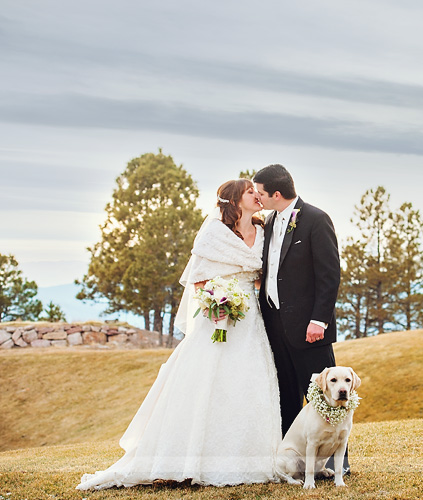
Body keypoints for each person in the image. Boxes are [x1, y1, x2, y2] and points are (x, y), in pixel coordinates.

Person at [77, 179, 282, 490]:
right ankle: (187, 458)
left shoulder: (265, 231)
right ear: (235, 201)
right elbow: (198, 281)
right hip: (218, 320)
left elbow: (261, 278)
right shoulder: (214, 235)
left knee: (247, 385)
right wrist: (217, 302)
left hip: (251, 320)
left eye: (257, 191)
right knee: (205, 386)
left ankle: (248, 459)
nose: (257, 195)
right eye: (250, 192)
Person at [253, 164, 347, 473]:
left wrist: (318, 320)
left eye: (261, 193)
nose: (258, 197)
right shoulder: (268, 221)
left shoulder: (316, 220)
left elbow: (329, 274)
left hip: (310, 328)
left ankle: (339, 463)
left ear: (276, 194)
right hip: (275, 325)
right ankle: (292, 462)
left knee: (325, 396)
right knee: (286, 396)